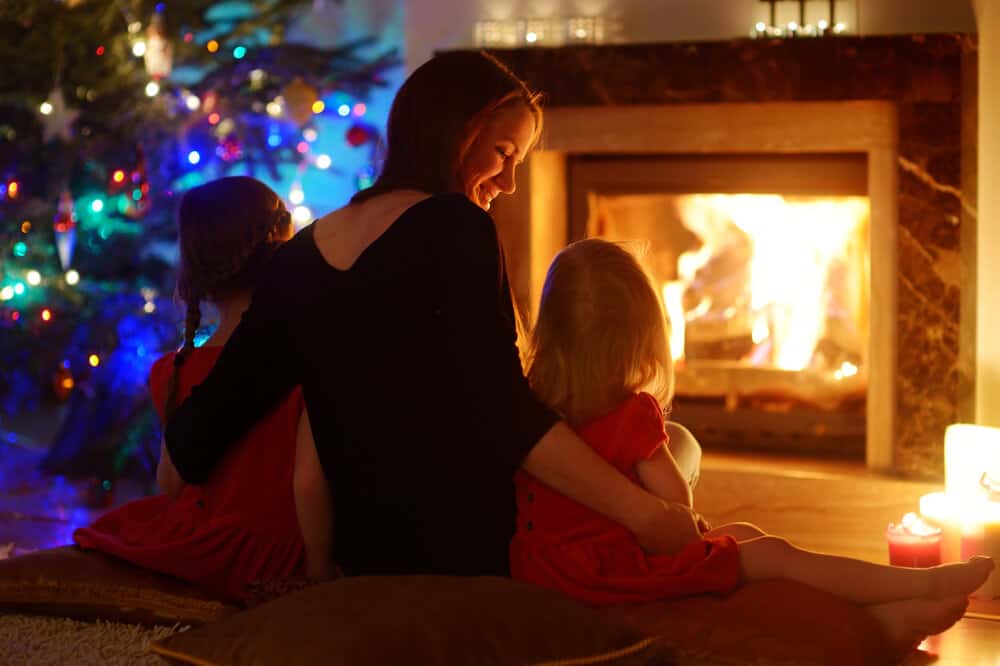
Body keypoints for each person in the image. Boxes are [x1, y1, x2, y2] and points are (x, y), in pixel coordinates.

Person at [163, 51, 695, 579]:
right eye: (503, 152)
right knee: (678, 447)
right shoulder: (454, 225)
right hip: (475, 542)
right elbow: (507, 415)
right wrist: (642, 514)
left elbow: (201, 430)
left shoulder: (301, 255)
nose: (509, 183)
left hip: (363, 551)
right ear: (455, 133)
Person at [509, 238, 994, 657]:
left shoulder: (532, 406)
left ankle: (883, 608)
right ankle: (916, 584)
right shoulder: (632, 415)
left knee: (741, 532)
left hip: (550, 572)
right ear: (642, 340)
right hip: (616, 576)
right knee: (777, 555)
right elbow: (679, 506)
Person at [74, 176, 334, 601]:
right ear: (280, 247)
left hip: (200, 542)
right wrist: (321, 572)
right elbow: (309, 483)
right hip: (274, 555)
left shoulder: (171, 369)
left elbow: (170, 485)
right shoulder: (306, 357)